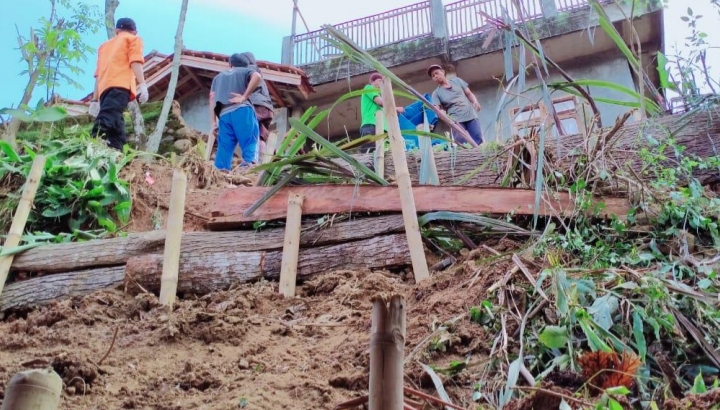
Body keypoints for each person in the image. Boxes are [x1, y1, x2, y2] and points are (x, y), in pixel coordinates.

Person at [88, 18, 148, 150]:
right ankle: (93, 143)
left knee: (117, 124)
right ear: (134, 31)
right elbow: (135, 62)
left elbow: (98, 74)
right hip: (120, 86)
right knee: (107, 118)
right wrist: (143, 85)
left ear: (117, 31)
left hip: (104, 90)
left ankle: (117, 150)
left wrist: (94, 99)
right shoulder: (133, 39)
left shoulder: (104, 47)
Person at [209, 53, 262, 170]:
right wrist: (244, 96)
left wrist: (213, 122)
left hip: (224, 115)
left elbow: (212, 98)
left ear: (230, 64)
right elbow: (257, 76)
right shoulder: (244, 71)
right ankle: (248, 170)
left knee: (224, 148)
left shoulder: (217, 78)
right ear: (245, 65)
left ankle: (221, 174)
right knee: (250, 142)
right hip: (242, 111)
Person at [427, 64, 483, 145]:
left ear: (443, 72)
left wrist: (475, 101)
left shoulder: (457, 81)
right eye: (433, 76)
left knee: (478, 138)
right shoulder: (436, 93)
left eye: (436, 73)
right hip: (456, 121)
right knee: (461, 143)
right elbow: (437, 109)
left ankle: (481, 156)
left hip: (471, 115)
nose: (435, 76)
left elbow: (469, 93)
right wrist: (441, 113)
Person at [235, 52, 275, 157]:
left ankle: (252, 161)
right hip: (266, 109)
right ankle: (261, 161)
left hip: (256, 105)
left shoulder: (248, 70)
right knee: (260, 136)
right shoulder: (258, 71)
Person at [359, 73, 405, 137]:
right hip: (371, 125)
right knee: (371, 146)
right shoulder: (369, 88)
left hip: (383, 128)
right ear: (372, 81)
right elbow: (380, 102)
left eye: (382, 82)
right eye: (379, 81)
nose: (381, 84)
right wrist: (396, 108)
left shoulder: (380, 96)